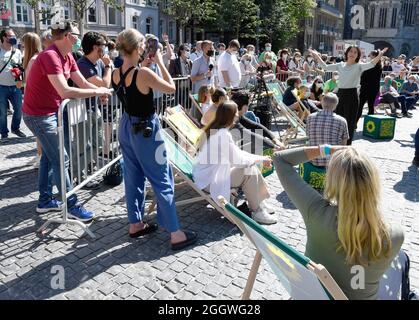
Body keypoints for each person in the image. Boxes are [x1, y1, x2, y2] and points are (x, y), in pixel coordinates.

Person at [273, 145, 406, 299]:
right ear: (374, 184)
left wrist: (328, 150)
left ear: (333, 182)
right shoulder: (395, 235)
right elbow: (360, 273)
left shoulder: (315, 212)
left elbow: (280, 159)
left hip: (311, 295)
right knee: (401, 260)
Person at [111, 28, 197, 249]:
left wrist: (148, 66)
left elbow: (133, 90)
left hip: (126, 127)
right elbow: (171, 87)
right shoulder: (143, 73)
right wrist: (159, 62)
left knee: (133, 177)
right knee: (161, 177)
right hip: (146, 130)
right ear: (139, 47)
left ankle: (135, 223)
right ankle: (175, 233)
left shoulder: (116, 72)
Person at [22, 20, 112, 220]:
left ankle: (45, 201)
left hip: (51, 112)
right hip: (38, 116)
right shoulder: (50, 56)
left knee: (48, 157)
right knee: (61, 159)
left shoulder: (68, 56)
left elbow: (81, 82)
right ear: (67, 36)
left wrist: (99, 92)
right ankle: (71, 204)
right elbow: (65, 90)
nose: (79, 38)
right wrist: (97, 90)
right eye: (77, 34)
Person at [193, 101, 277, 225]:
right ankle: (257, 210)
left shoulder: (216, 130)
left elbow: (238, 153)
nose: (238, 115)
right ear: (231, 116)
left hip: (207, 176)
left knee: (250, 166)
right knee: (248, 169)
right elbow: (238, 161)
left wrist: (260, 158)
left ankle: (258, 203)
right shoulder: (222, 134)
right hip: (209, 181)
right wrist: (260, 159)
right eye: (236, 113)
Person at [309, 46, 388, 144]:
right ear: (346, 53)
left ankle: (347, 145)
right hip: (340, 95)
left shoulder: (359, 66)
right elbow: (325, 67)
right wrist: (317, 56)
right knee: (337, 119)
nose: (352, 53)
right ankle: (336, 143)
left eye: (355, 52)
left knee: (349, 122)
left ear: (358, 55)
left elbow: (371, 64)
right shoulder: (340, 65)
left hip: (352, 95)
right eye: (351, 51)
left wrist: (380, 55)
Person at [71, 32, 111, 188]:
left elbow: (101, 87)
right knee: (82, 146)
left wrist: (103, 95)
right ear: (95, 47)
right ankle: (78, 176)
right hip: (81, 111)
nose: (105, 49)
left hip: (95, 109)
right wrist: (108, 66)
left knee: (99, 144)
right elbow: (104, 84)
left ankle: (75, 170)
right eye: (103, 46)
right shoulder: (82, 64)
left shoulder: (99, 63)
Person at [306, 93, 348, 169]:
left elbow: (308, 135)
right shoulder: (341, 120)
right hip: (333, 162)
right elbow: (344, 144)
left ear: (322, 103)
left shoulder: (310, 117)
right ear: (335, 106)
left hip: (313, 160)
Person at [0, 27, 26, 140]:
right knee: (2, 112)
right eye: (10, 36)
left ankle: (15, 128)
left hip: (15, 87)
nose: (13, 38)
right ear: (3, 38)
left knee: (19, 109)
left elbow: (20, 68)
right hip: (1, 87)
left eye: (13, 35)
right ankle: (4, 133)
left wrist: (19, 76)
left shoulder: (17, 52)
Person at [22, 32, 42, 166]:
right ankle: (39, 155)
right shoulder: (34, 58)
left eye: (23, 44)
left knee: (40, 132)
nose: (22, 46)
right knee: (39, 133)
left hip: (36, 100)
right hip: (35, 98)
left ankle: (41, 157)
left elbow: (31, 82)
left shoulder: (34, 60)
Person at [357, 50, 383, 119]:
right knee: (370, 106)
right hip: (374, 89)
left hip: (365, 88)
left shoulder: (369, 66)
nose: (369, 56)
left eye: (370, 55)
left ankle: (354, 124)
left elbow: (363, 77)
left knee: (360, 106)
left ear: (374, 56)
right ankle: (370, 124)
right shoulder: (379, 66)